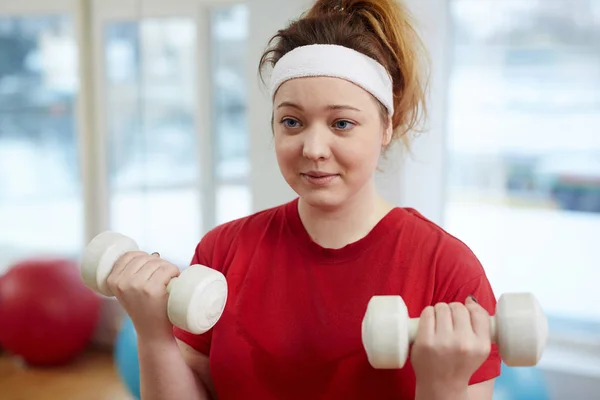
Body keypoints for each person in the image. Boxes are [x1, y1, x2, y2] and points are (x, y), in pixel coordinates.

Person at [106, 0, 501, 399]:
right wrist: (153, 334)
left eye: (341, 123)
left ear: (387, 126)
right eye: (291, 121)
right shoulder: (223, 252)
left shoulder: (448, 271)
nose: (313, 148)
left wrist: (443, 384)